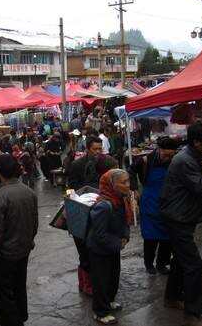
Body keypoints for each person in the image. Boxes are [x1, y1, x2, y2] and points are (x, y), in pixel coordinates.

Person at [160, 121, 202, 326]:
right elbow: (201, 187)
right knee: (194, 266)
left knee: (181, 259)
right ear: (197, 143)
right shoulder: (185, 160)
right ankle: (193, 315)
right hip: (178, 217)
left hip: (182, 215)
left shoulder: (192, 155)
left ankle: (171, 298)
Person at [0, 154, 38, 326]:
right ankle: (21, 317)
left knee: (4, 295)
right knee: (19, 287)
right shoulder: (29, 192)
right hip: (23, 251)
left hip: (5, 256)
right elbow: (34, 224)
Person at [87, 169, 131, 324]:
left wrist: (125, 236)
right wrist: (118, 243)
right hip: (99, 250)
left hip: (112, 248)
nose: (128, 185)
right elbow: (99, 234)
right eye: (123, 182)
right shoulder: (104, 206)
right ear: (112, 185)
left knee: (113, 277)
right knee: (101, 281)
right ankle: (100, 312)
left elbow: (125, 221)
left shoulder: (121, 200)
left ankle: (109, 301)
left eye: (128, 181)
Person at [131, 136, 178, 275]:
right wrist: (134, 189)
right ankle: (149, 264)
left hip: (169, 202)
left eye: (171, 155)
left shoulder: (174, 162)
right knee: (150, 236)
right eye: (165, 154)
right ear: (158, 149)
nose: (167, 158)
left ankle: (162, 264)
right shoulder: (145, 161)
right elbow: (130, 171)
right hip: (150, 201)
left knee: (167, 236)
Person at [67, 136, 103, 295]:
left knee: (95, 248)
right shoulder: (77, 164)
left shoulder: (104, 162)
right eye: (95, 149)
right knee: (84, 250)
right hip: (81, 209)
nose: (98, 152)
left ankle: (90, 281)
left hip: (99, 209)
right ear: (88, 148)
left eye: (100, 149)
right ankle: (85, 283)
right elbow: (71, 187)